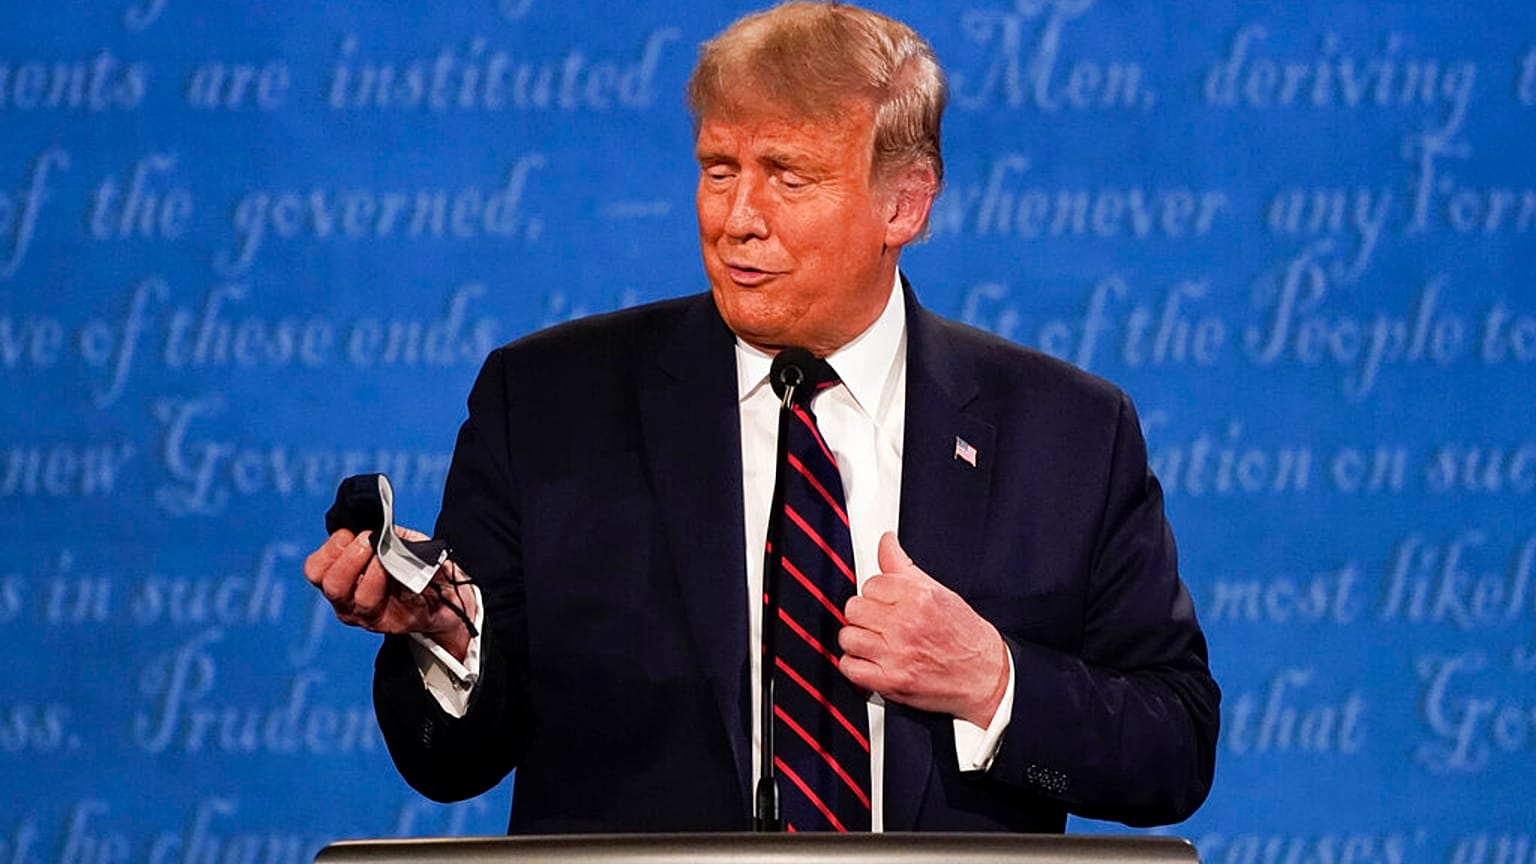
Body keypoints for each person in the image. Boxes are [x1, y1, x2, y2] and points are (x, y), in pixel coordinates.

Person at [303, 1, 1218, 834]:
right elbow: (452, 763)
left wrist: (993, 682)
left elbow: (1173, 749)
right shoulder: (546, 404)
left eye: (787, 176)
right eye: (718, 168)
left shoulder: (1067, 434)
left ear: (905, 200)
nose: (737, 217)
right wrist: (448, 641)